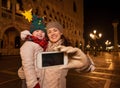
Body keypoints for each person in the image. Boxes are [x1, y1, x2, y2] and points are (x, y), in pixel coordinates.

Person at [18, 21, 95, 88]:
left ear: (61, 32)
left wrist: (85, 63)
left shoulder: (66, 49)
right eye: (49, 32)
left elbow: (89, 68)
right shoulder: (43, 47)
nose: (52, 34)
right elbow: (32, 64)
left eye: (55, 30)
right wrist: (24, 71)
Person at [18, 15, 48, 88]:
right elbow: (28, 65)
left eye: (42, 31)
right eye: (37, 31)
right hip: (31, 79)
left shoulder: (42, 44)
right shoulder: (28, 45)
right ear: (32, 32)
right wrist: (33, 84)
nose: (40, 33)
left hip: (40, 77)